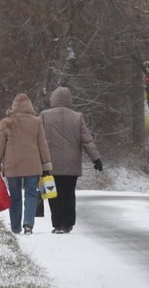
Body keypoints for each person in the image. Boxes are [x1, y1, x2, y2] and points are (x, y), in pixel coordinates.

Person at [39, 86, 103, 234]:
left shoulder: (44, 115)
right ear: (69, 100)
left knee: (52, 194)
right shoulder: (77, 116)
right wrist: (96, 159)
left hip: (49, 164)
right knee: (69, 193)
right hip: (72, 164)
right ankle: (68, 223)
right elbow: (87, 140)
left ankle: (57, 224)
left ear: (53, 98)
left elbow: (37, 138)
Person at [0, 93, 52, 235]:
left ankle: (15, 227)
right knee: (31, 194)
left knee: (15, 195)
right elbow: (42, 145)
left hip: (13, 166)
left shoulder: (5, 122)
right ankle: (28, 224)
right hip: (33, 165)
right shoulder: (36, 122)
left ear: (13, 107)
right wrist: (46, 164)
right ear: (30, 106)